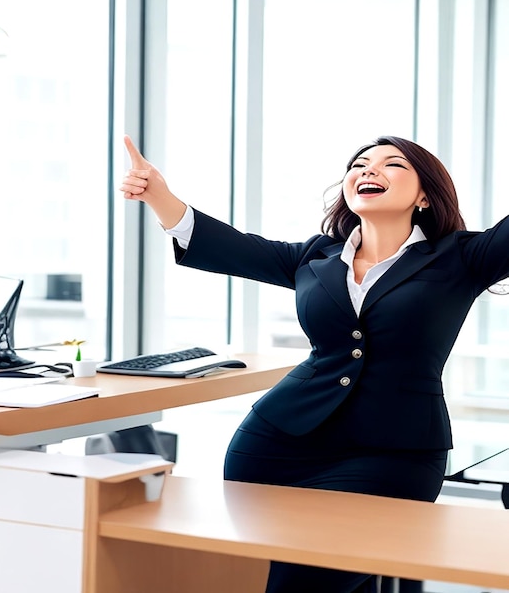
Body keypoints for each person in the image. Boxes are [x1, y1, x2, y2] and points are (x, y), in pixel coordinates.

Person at [120, 134, 509, 593]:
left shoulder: (462, 256)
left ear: (425, 194)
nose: (369, 170)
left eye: (393, 165)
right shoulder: (315, 256)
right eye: (360, 164)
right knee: (265, 574)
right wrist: (159, 196)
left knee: (304, 584)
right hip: (278, 444)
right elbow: (233, 246)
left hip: (394, 454)